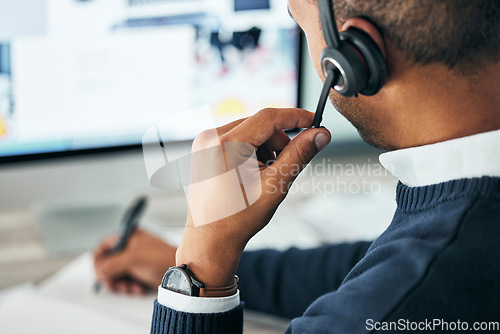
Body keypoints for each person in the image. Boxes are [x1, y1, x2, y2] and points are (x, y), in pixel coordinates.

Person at [94, 0, 500, 332]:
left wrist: (196, 273)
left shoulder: (386, 311)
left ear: (355, 53)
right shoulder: (460, 230)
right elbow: (372, 264)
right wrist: (203, 255)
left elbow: (395, 283)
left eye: (298, 22)